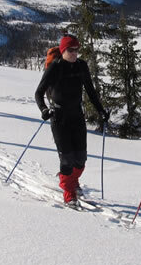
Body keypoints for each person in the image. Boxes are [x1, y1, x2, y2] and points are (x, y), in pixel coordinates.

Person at [34, 34, 109, 208]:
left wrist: (101, 111)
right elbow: (38, 93)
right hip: (59, 117)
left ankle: (70, 179)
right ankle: (69, 192)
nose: (75, 53)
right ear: (63, 50)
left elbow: (91, 91)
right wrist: (44, 110)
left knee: (80, 159)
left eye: (77, 49)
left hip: (77, 116)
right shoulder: (55, 67)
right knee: (66, 158)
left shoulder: (82, 66)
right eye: (71, 50)